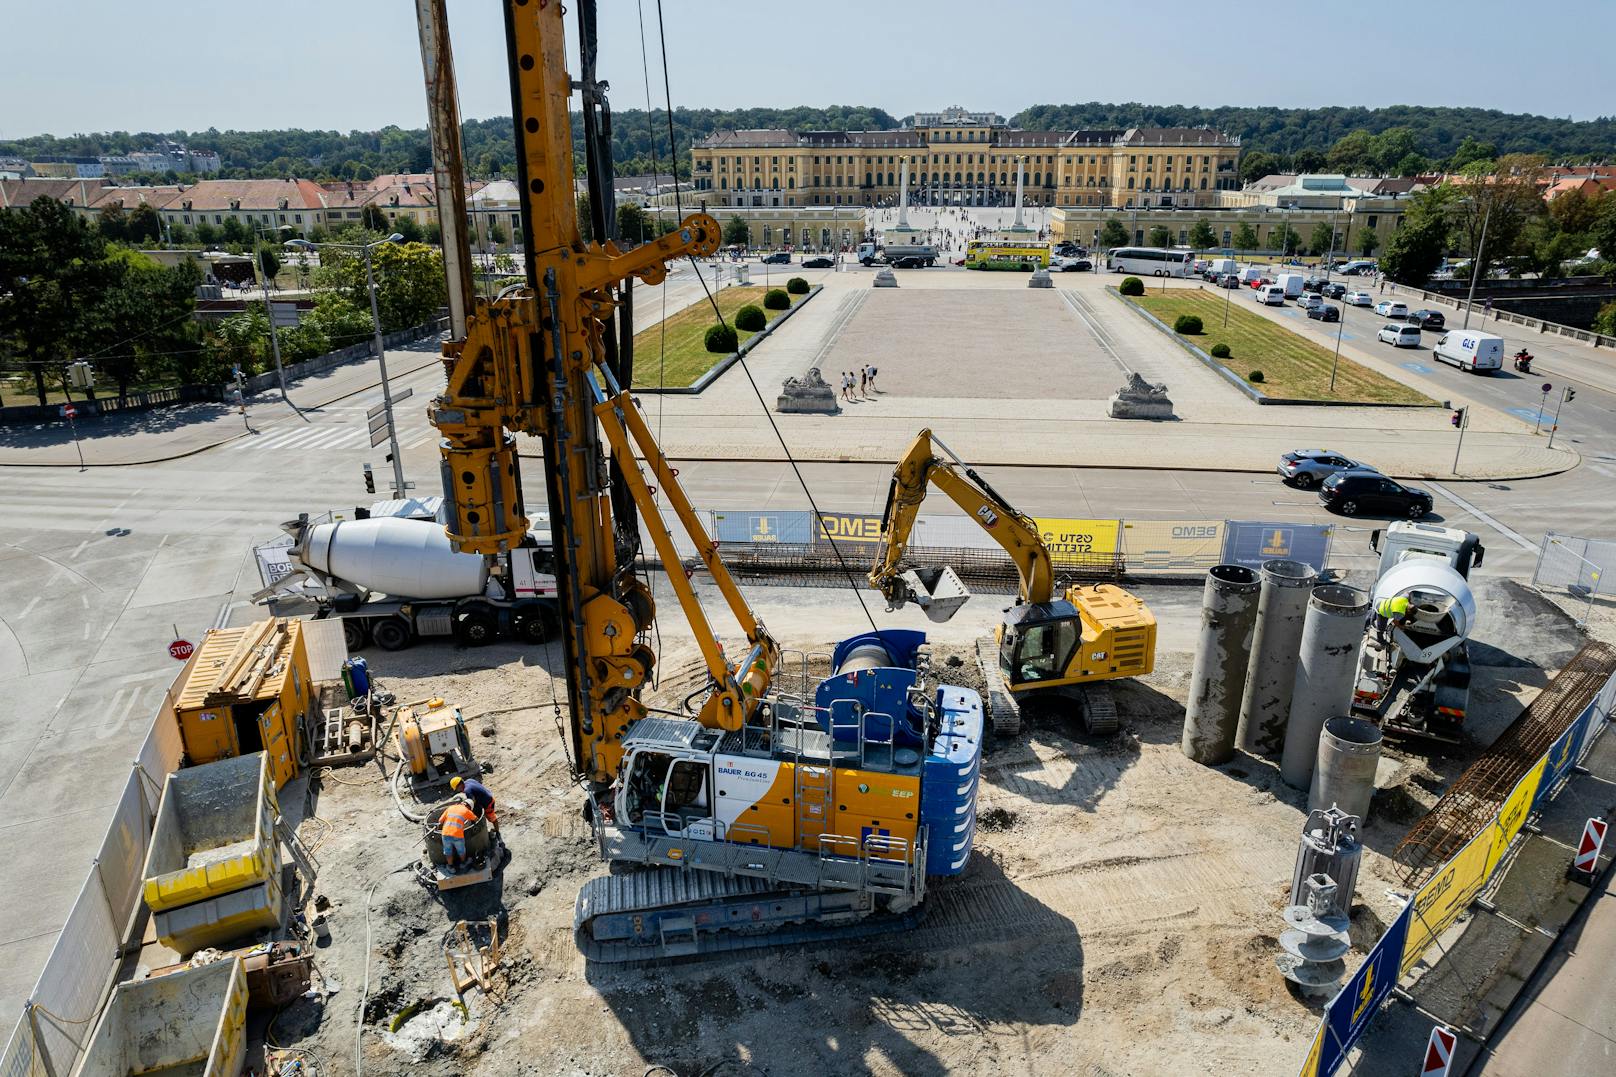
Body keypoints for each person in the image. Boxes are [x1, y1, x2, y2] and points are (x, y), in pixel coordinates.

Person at [439, 796, 479, 873]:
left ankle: (451, 867)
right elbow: (476, 819)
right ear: (469, 807)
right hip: (457, 834)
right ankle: (463, 863)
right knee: (461, 850)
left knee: (448, 851)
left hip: (445, 833)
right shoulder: (467, 811)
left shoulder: (451, 807)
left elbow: (440, 820)